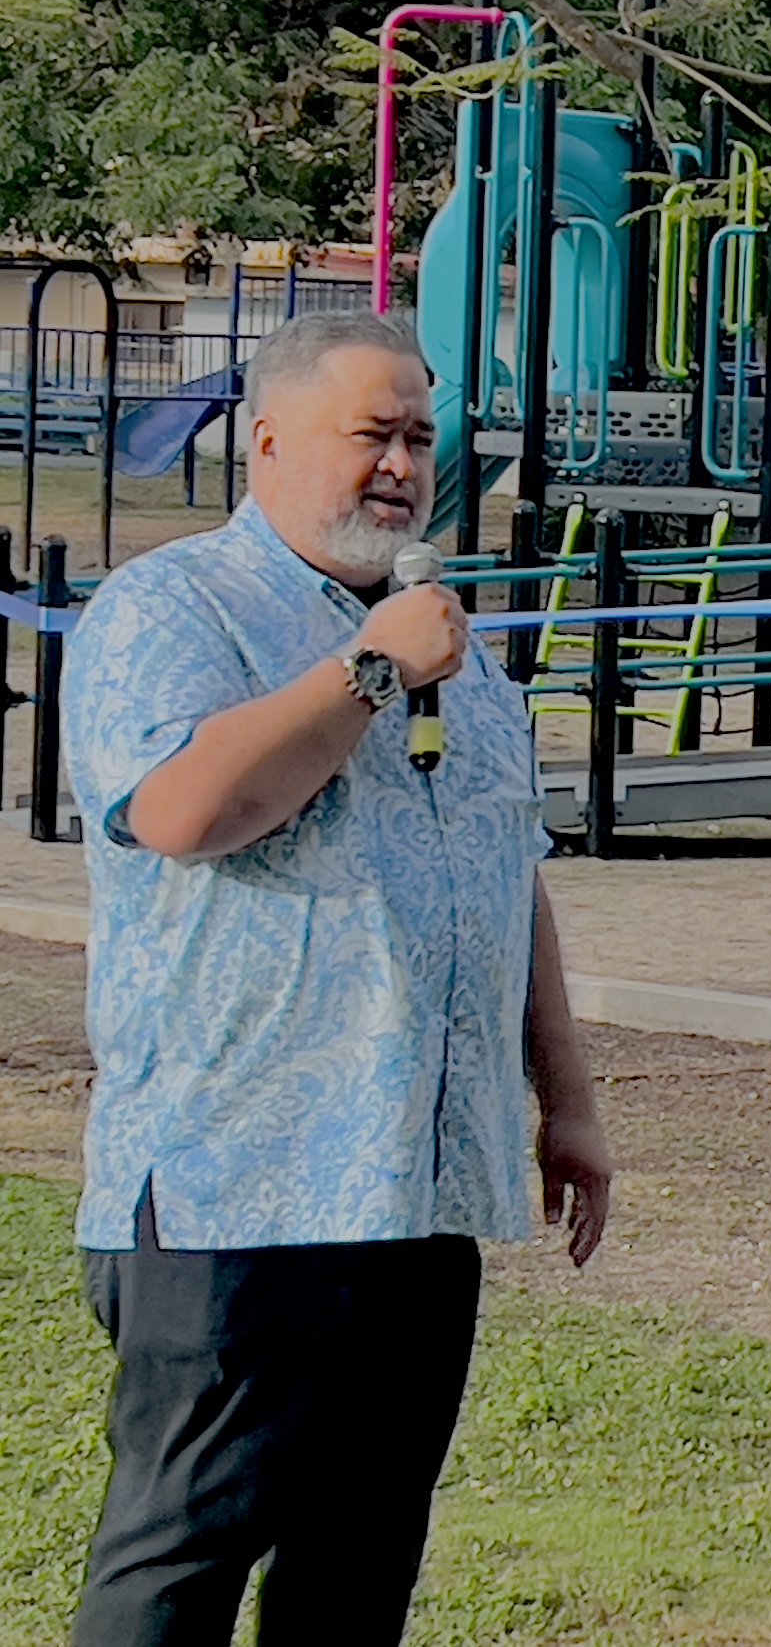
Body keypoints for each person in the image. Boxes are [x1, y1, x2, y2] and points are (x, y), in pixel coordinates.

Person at [61, 311, 613, 1646]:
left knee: (357, 1571)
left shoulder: (445, 644)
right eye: (371, 433)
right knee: (178, 1569)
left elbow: (502, 866)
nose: (403, 466)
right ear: (265, 438)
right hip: (233, 1193)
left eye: (421, 437)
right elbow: (186, 811)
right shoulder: (174, 607)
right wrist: (370, 672)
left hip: (418, 1192)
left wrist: (568, 1097)